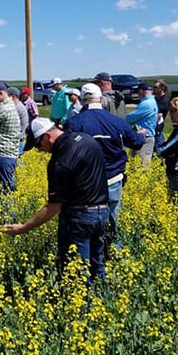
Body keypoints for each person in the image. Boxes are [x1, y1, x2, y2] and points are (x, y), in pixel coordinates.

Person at [2, 118, 110, 281]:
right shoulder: (86, 139)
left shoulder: (60, 161)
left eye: (38, 145)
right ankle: (101, 300)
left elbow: (54, 206)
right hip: (102, 213)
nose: (40, 150)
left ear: (46, 136)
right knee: (96, 266)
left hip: (78, 219)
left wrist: (23, 228)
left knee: (77, 273)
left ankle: (83, 306)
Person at [65, 83, 144, 255]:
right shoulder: (115, 121)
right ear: (101, 99)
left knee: (87, 222)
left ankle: (89, 257)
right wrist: (141, 135)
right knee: (111, 221)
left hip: (85, 185)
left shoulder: (73, 123)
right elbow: (136, 142)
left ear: (83, 100)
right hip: (113, 180)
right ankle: (112, 256)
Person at [125, 84, 158, 168]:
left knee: (140, 166)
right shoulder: (152, 101)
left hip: (144, 137)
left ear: (141, 91)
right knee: (142, 164)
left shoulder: (146, 103)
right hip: (147, 136)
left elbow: (130, 118)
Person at [7, 86, 29, 156]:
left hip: (17, 140)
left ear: (13, 96)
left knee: (18, 162)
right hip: (17, 139)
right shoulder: (17, 106)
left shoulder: (17, 108)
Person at [153, 79, 170, 147]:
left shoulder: (165, 100)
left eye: (155, 87)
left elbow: (159, 114)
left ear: (162, 88)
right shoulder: (154, 99)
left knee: (158, 150)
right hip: (152, 128)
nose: (153, 89)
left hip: (158, 129)